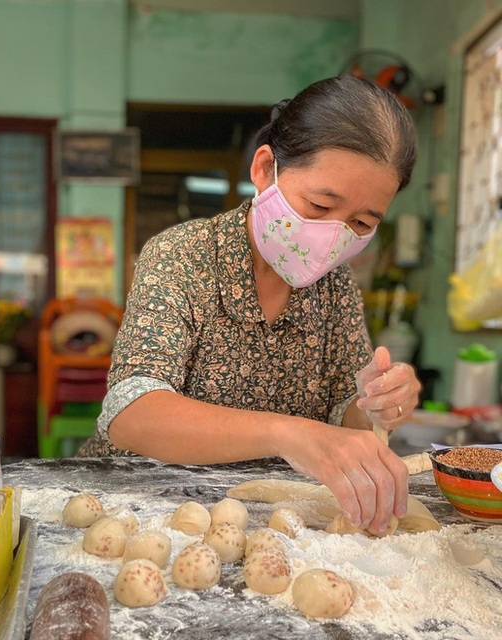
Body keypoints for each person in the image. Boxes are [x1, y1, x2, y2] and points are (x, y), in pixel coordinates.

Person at [79, 75, 421, 536]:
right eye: (320, 206)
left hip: (268, 524)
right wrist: (291, 433)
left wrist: (379, 405)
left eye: (361, 221)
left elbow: (347, 417)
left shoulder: (335, 286)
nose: (334, 234)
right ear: (264, 170)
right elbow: (131, 414)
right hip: (143, 510)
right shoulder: (182, 256)